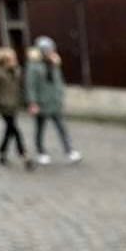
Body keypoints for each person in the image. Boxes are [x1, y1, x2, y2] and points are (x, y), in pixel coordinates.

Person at [25, 37, 81, 166]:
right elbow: (31, 86)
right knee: (40, 129)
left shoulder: (54, 63)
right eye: (48, 50)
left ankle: (69, 151)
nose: (51, 52)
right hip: (41, 103)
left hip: (54, 102)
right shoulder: (33, 66)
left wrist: (61, 95)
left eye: (52, 49)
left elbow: (58, 81)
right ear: (42, 51)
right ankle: (41, 152)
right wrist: (33, 103)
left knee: (62, 127)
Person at [0, 47, 33, 170]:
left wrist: (24, 102)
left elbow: (20, 89)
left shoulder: (16, 72)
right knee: (16, 131)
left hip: (14, 105)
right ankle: (25, 156)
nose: (15, 61)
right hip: (4, 108)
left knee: (9, 131)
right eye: (12, 59)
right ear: (4, 61)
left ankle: (2, 152)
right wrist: (1, 103)